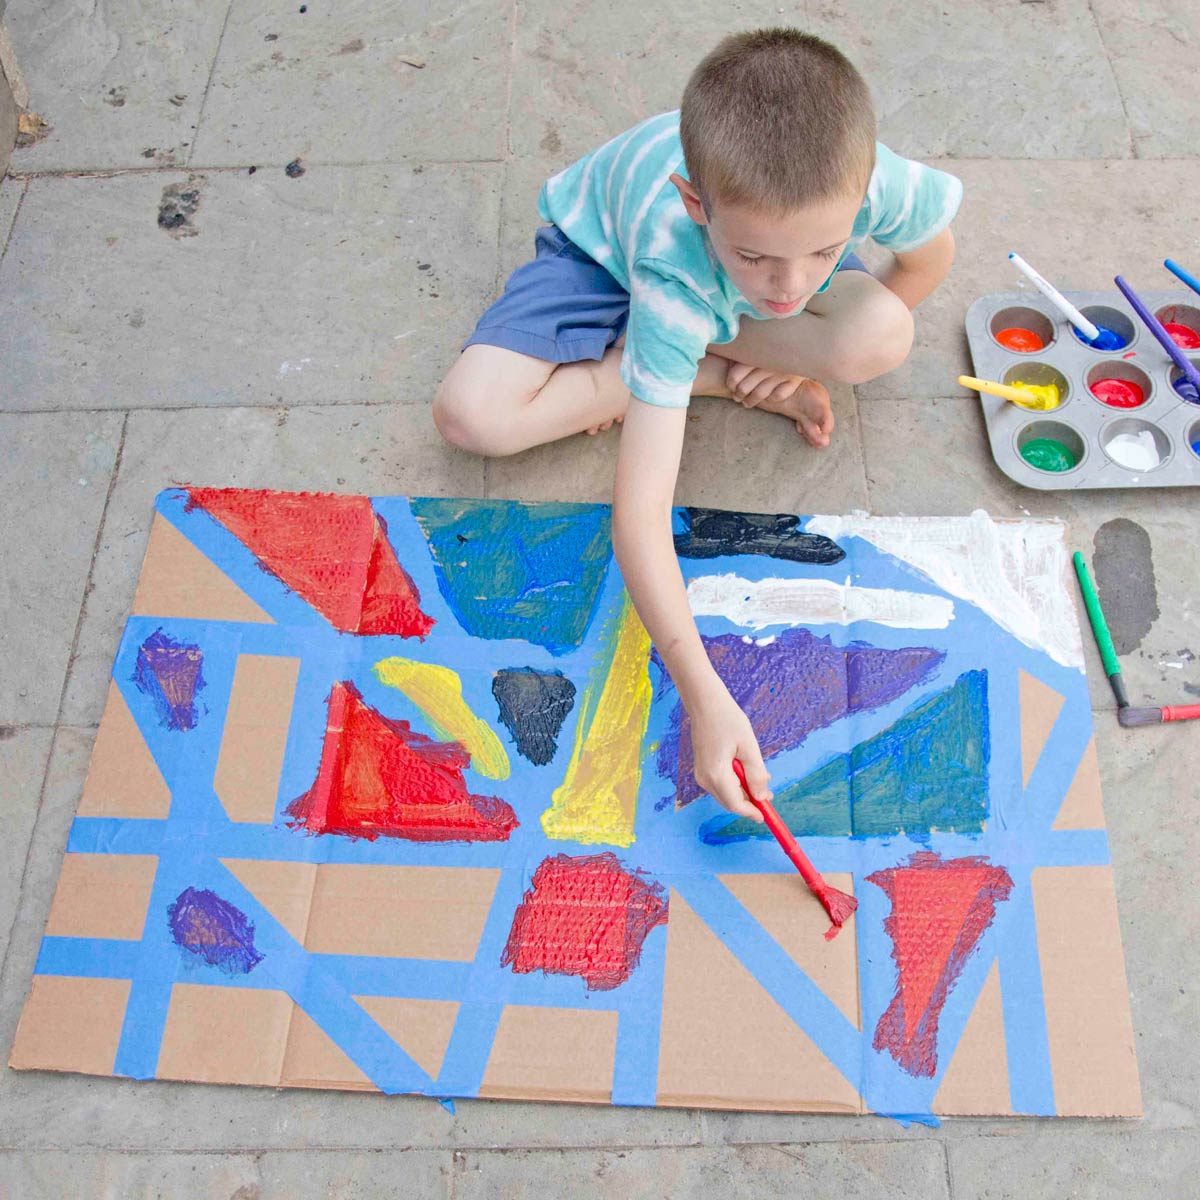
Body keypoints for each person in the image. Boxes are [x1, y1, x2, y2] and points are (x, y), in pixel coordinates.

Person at [433, 28, 960, 822]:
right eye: (757, 260)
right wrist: (704, 693)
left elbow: (927, 262)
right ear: (696, 205)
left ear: (862, 196)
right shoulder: (671, 267)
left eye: (826, 249)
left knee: (881, 332)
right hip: (603, 254)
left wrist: (802, 330)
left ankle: (675, 367)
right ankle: (695, 373)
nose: (789, 288)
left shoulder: (867, 187)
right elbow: (639, 514)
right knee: (471, 416)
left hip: (702, 288)